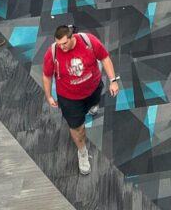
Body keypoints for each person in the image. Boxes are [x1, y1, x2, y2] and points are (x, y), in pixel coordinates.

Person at [42, 25, 120, 176]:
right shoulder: (53, 52)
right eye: (58, 44)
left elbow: (104, 58)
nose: (62, 47)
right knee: (78, 128)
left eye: (64, 43)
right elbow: (47, 75)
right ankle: (82, 152)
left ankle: (92, 106)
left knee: (94, 103)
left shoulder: (88, 41)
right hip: (69, 98)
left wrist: (113, 80)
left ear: (72, 37)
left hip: (93, 89)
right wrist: (49, 95)